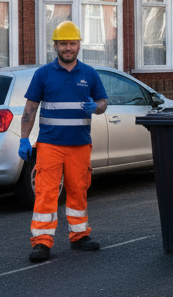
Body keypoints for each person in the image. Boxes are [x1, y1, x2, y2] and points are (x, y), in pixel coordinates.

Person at [18, 21, 108, 263]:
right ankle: (41, 242)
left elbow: (103, 102)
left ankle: (79, 236)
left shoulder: (89, 73)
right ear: (55, 46)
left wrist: (96, 107)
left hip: (79, 144)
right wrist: (24, 139)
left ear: (79, 45)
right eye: (63, 44)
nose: (68, 48)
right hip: (50, 145)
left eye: (72, 43)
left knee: (78, 190)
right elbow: (30, 109)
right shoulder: (43, 74)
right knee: (46, 192)